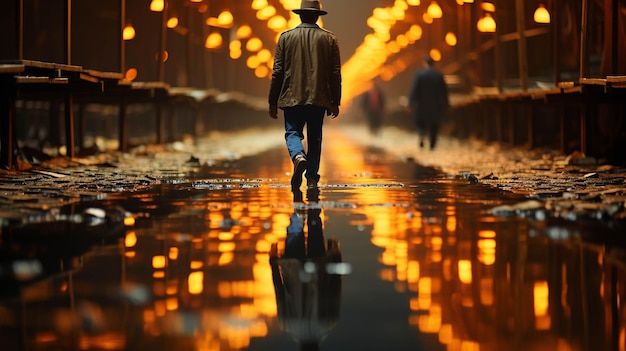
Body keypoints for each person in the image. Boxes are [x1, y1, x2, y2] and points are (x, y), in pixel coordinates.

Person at [268, 0, 342, 189]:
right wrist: (335, 101)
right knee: (315, 137)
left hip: (291, 97)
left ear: (300, 15)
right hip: (319, 97)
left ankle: (298, 155)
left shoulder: (285, 37)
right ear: (317, 15)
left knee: (292, 132)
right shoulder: (329, 39)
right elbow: (335, 73)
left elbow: (277, 71)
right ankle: (311, 178)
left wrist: (273, 100)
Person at [407, 55, 449, 150]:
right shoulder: (438, 75)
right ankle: (432, 144)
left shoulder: (419, 74)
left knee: (420, 122)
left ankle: (421, 134)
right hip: (435, 104)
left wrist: (410, 103)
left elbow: (414, 89)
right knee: (434, 124)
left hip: (421, 104)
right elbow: (444, 91)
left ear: (424, 63)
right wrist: (446, 103)